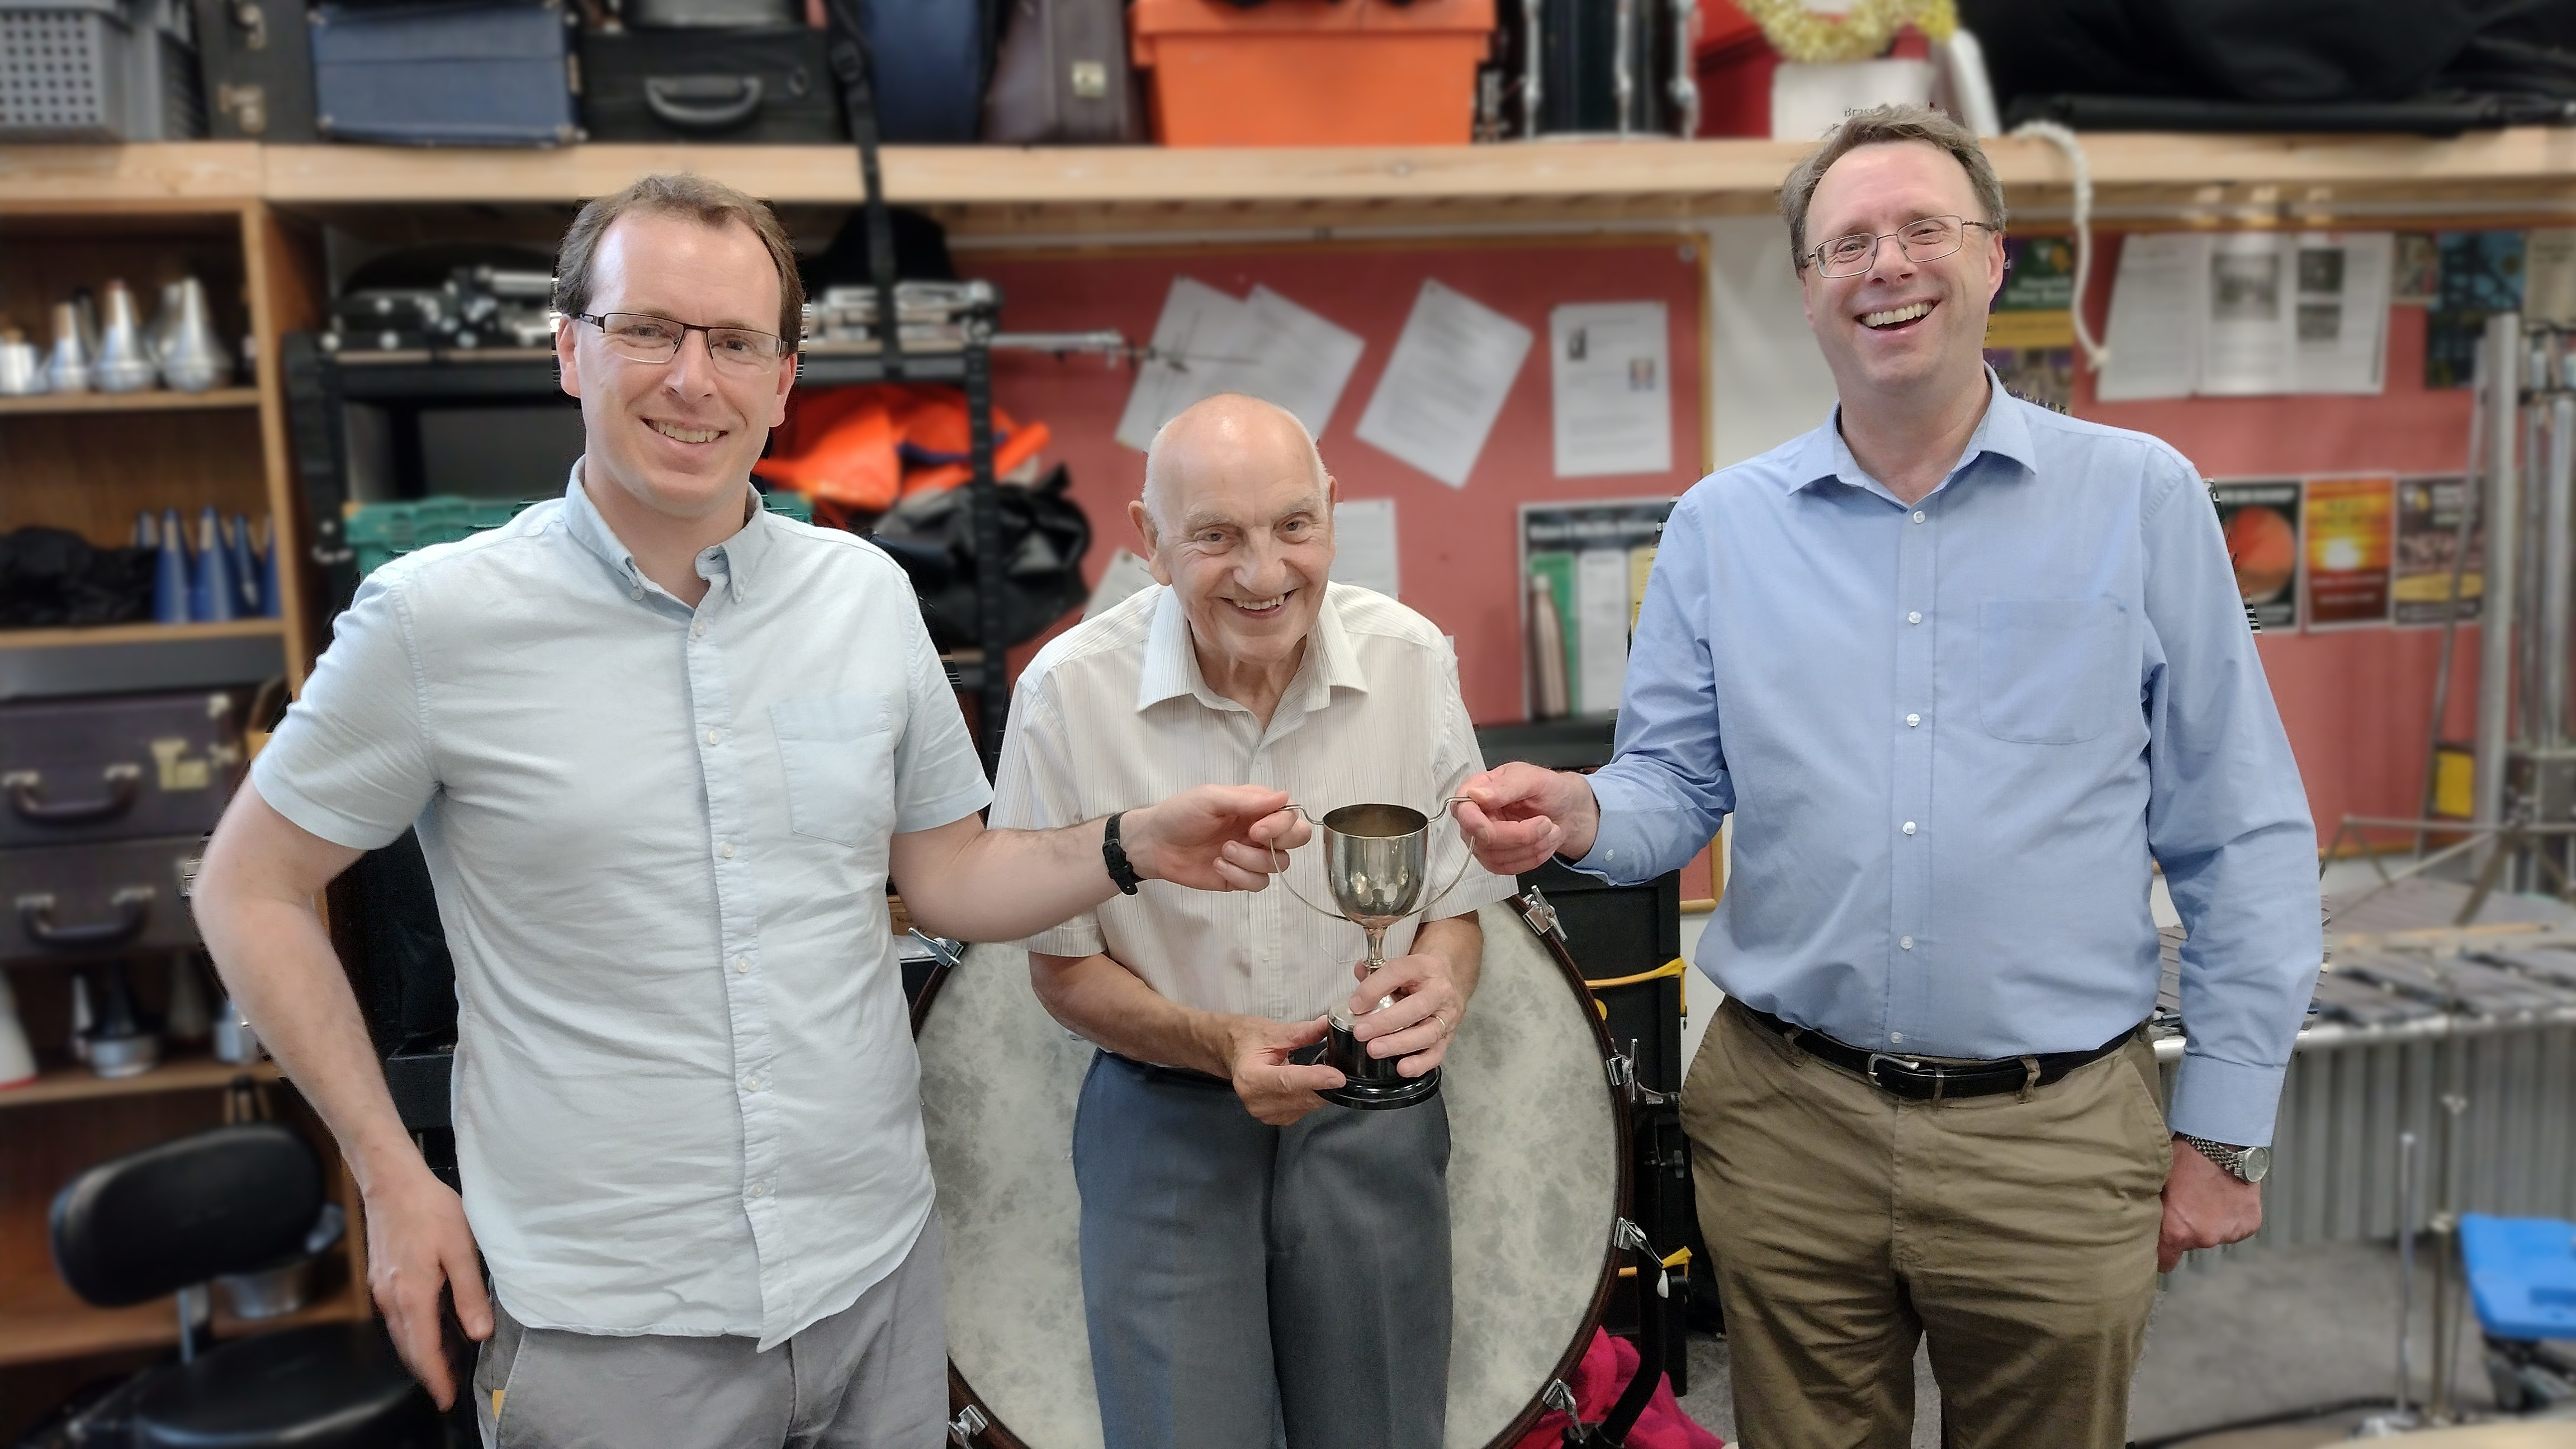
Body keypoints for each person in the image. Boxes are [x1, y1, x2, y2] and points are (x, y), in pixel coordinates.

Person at [190, 174, 1306, 1449]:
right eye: (647, 330)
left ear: (784, 381)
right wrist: (390, 1175)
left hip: (873, 1286)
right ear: (569, 350)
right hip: (612, 1330)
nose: (692, 379)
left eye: (733, 342)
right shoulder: (433, 621)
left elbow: (948, 878)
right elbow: (247, 889)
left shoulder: (865, 597)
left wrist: (1134, 843)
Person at [1453, 106, 2321, 1448]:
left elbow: (2243, 833)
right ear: (1809, 288)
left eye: (1925, 229)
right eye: (1847, 243)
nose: (1888, 266)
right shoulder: (1722, 528)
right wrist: (1583, 811)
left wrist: (2225, 1130)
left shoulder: (2141, 501)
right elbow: (1673, 787)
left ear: (1995, 259)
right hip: (1788, 1126)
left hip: (2052, 1134)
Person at [987, 393, 1517, 1449]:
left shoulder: (1412, 660)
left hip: (1372, 1110)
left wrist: (1445, 978)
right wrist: (1215, 1043)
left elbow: (1455, 913)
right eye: (1217, 536)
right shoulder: (1066, 694)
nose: (1265, 573)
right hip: (1164, 1117)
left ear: (1332, 513)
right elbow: (1063, 971)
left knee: (1383, 1429)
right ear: (1149, 541)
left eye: (1293, 526)